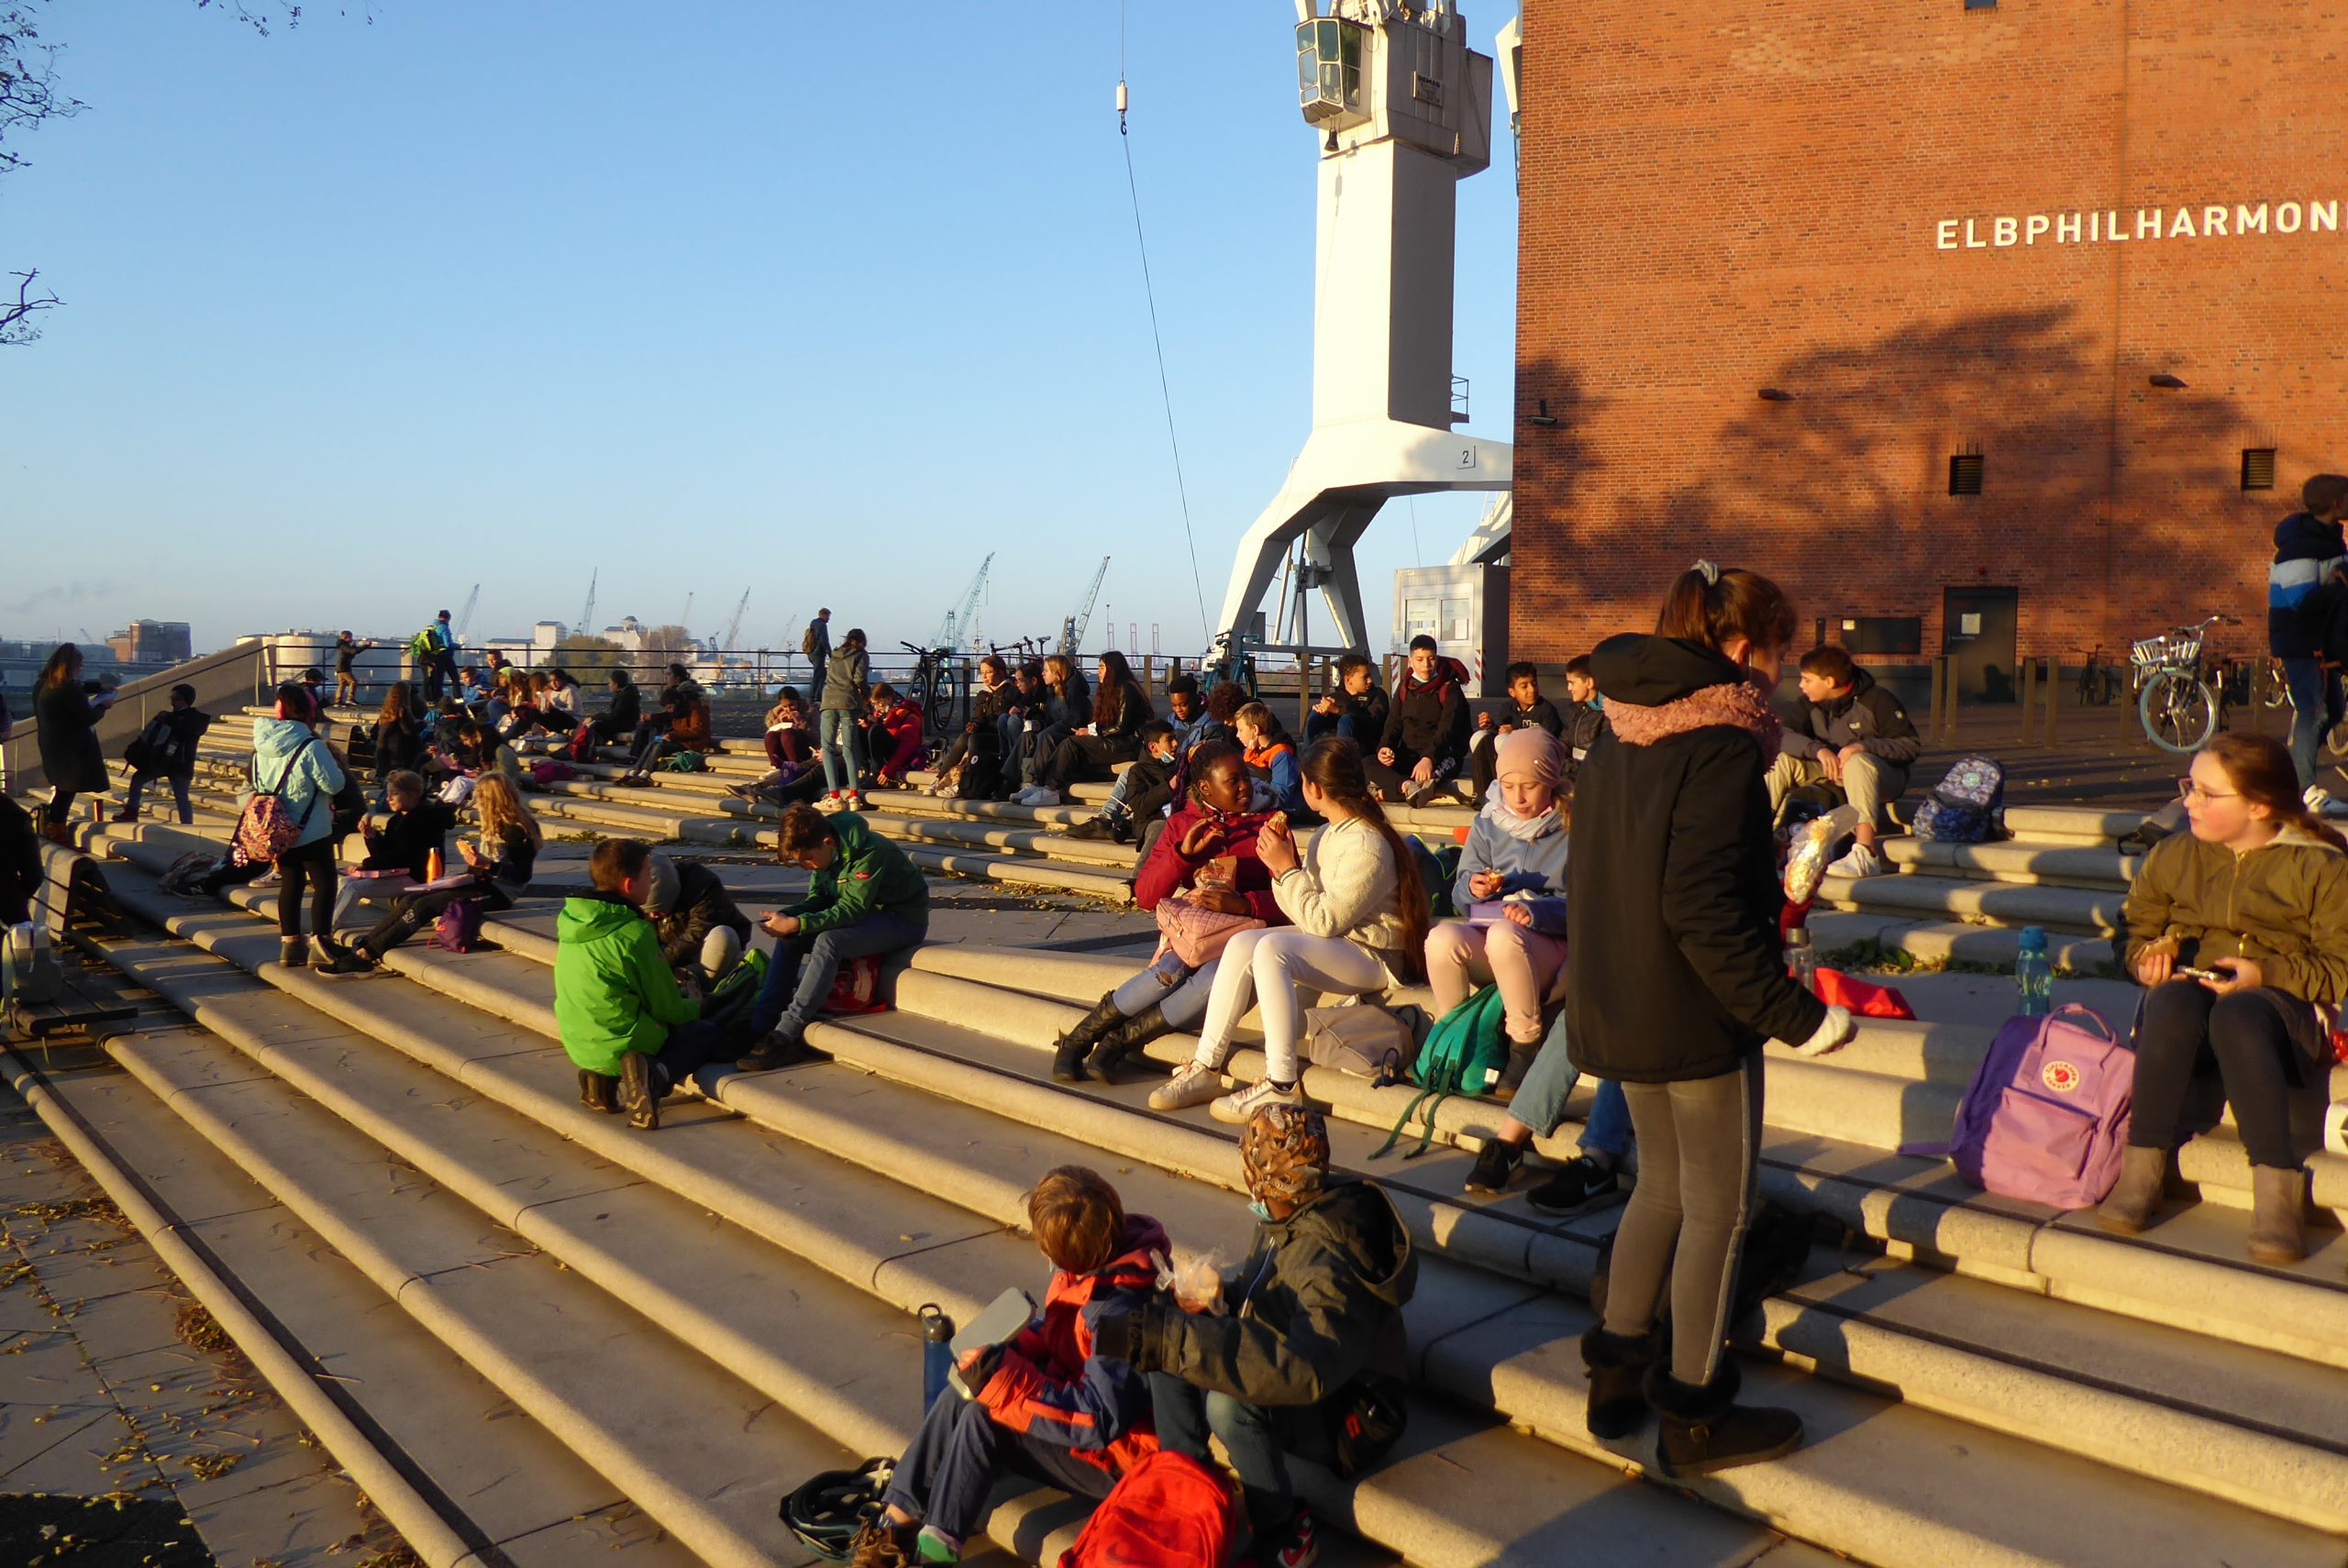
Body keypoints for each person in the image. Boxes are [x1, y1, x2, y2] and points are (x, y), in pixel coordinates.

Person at [1567, 561, 1854, 1475]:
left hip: (1623, 996)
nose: (1777, 671)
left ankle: (1615, 1372)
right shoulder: (1723, 744)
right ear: (1738, 649)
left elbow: (1613, 872)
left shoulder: (1617, 727)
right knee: (1719, 1212)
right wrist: (1793, 1015)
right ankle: (1693, 1414)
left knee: (1657, 1189)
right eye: (1773, 651)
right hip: (1692, 1010)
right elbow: (1699, 907)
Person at [1097, 1105, 1415, 1568]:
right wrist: (1213, 1300)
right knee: (1169, 1340)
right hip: (1304, 1364)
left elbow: (1305, 1370)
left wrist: (1187, 1340)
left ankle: (1284, 1528)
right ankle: (1185, 1488)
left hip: (1354, 1412)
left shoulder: (1330, 1264)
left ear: (1264, 1181)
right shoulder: (1288, 1214)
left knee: (1226, 1403)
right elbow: (1261, 1295)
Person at [2099, 733, 2348, 1264]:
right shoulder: (2174, 854)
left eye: (2206, 793)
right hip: (2187, 1019)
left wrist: (2265, 974)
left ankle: (2277, 1192)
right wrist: (2144, 960)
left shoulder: (2322, 866)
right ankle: (2140, 1170)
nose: (2188, 801)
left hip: (2274, 1020)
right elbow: (2131, 932)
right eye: (2189, 786)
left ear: (2259, 806)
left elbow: (2340, 968)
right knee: (2172, 1002)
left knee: (2238, 1014)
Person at [853, 1167, 1168, 1568]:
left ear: (1057, 1253)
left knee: (985, 1419)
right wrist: (1014, 1344)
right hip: (1085, 1420)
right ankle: (894, 1522)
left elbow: (1097, 1419)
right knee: (961, 1395)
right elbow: (1068, 1340)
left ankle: (936, 1554)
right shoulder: (1091, 1272)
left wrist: (1006, 1380)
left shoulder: (1121, 1316)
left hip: (1123, 1460)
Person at [1150, 736, 1430, 1122]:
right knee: (1244, 942)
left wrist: (1285, 869)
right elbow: (1303, 910)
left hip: (1374, 955)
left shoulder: (1367, 844)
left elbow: (1324, 921)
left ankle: (1281, 1082)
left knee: (1272, 950)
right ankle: (1206, 1066)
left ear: (1314, 788)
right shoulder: (1328, 834)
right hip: (1340, 942)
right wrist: (1282, 869)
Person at [1445, 726, 1637, 1213]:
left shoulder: (1583, 826)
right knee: (1445, 940)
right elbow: (1462, 889)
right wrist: (1476, 889)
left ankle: (1590, 1156)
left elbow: (1591, 903)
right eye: (1508, 786)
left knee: (1608, 1009)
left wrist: (1538, 911)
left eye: (1527, 785)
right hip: (1590, 949)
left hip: (1577, 947)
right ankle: (1508, 1136)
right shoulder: (1493, 821)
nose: (1517, 796)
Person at [1052, 744, 1283, 1081]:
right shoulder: (1181, 824)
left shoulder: (1269, 825)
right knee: (1170, 968)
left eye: (1246, 778)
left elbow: (1291, 897)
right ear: (1205, 788)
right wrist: (1182, 856)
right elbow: (1147, 896)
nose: (1245, 787)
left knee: (1214, 975)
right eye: (1233, 781)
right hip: (1198, 932)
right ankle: (1077, 1040)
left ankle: (1118, 1042)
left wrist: (1246, 903)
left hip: (1246, 937)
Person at [551, 837, 757, 1129]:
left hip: (580, 1043)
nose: (652, 881)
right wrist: (695, 1005)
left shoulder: (573, 922)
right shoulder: (633, 934)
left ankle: (598, 1084)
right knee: (706, 1033)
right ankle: (655, 1076)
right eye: (648, 875)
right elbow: (667, 1009)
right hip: (624, 1045)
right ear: (629, 885)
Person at [737, 802, 929, 1070]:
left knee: (829, 941)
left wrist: (798, 923)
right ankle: (762, 1025)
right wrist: (786, 917)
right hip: (866, 917)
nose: (807, 867)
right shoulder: (824, 854)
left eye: (807, 859)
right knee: (791, 938)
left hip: (902, 920)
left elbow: (851, 910)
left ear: (827, 843)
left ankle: (785, 1035)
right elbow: (818, 900)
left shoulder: (871, 851)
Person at [322, 774, 540, 976]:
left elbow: (521, 875)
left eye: (480, 798)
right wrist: (472, 865)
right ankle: (365, 943)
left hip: (499, 892)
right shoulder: (495, 825)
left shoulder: (515, 830)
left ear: (492, 800)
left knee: (424, 906)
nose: (476, 803)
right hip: (480, 882)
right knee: (411, 899)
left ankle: (367, 955)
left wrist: (487, 865)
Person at [1766, 645, 1922, 878]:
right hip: (1831, 771)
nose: (1801, 685)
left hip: (1881, 777)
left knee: (1857, 762)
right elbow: (1783, 734)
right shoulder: (1808, 704)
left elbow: (1910, 745)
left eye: (1807, 680)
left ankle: (1865, 853)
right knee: (1782, 759)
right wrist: (1818, 750)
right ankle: (1755, 837)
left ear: (1829, 681)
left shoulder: (1878, 699)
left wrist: (1863, 746)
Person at [249, 680, 350, 969]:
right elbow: (334, 784)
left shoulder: (262, 745)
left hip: (277, 828)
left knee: (290, 883)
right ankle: (321, 942)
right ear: (308, 712)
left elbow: (255, 781)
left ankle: (291, 945)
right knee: (324, 883)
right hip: (311, 827)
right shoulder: (311, 745)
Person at [2269, 473, 2348, 798]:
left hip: (2324, 640)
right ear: (2336, 503)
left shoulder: (2332, 540)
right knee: (2314, 711)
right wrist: (2340, 586)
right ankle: (2301, 789)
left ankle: (2293, 763)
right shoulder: (2298, 547)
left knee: (2333, 710)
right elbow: (2300, 600)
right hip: (2300, 641)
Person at [1023, 653, 1153, 807]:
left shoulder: (1126, 688)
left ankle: (1050, 789)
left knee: (1071, 744)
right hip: (1115, 739)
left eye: (1102, 668)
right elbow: (1105, 722)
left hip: (1128, 744)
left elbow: (1121, 727)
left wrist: (1092, 732)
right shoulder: (1110, 689)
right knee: (1067, 743)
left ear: (1113, 669)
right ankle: (1040, 784)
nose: (1098, 672)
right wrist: (1090, 730)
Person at [1366, 636, 1468, 807]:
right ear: (1411, 661)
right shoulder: (1405, 687)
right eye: (1420, 659)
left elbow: (1447, 729)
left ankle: (1385, 793)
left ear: (1437, 659)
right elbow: (1393, 723)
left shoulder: (1450, 688)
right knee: (1367, 763)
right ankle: (1406, 785)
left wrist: (1429, 758)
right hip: (1409, 754)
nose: (1426, 665)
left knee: (1425, 782)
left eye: (1431, 659)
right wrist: (1385, 747)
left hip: (1441, 755)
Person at [32, 644, 112, 840]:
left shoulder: (43, 684)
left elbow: (79, 687)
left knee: (63, 789)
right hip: (72, 750)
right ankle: (57, 832)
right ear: (72, 665)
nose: (80, 669)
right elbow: (87, 717)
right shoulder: (68, 688)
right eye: (80, 665)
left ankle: (53, 829)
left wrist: (98, 688)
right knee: (67, 791)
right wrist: (103, 706)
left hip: (52, 746)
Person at [640, 850, 753, 988]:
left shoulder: (702, 885)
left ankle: (696, 985)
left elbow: (697, 933)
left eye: (659, 910)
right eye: (647, 911)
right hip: (665, 958)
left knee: (723, 935)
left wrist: (659, 961)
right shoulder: (635, 888)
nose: (652, 916)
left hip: (702, 955)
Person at [116, 684, 212, 825]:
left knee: (181, 796)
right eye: (171, 698)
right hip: (159, 761)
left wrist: (168, 719)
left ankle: (187, 825)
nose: (172, 702)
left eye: (176, 698)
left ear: (185, 700)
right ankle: (131, 811)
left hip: (180, 763)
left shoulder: (197, 719)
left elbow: (188, 729)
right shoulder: (168, 717)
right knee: (137, 780)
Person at [1468, 662, 1566, 799]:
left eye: (1534, 684)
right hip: (1508, 761)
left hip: (1536, 763)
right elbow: (1499, 732)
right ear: (1512, 692)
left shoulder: (1546, 710)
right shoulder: (1508, 708)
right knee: (1479, 736)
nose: (1531, 690)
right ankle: (1482, 789)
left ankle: (1504, 787)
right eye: (1524, 686)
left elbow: (1547, 741)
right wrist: (1490, 726)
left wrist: (1516, 732)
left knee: (1504, 740)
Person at [1009, 655, 1093, 806]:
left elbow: (1076, 720)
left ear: (1058, 673)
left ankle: (1037, 782)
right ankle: (1027, 781)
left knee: (1046, 735)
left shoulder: (1074, 691)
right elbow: (1051, 719)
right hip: (1056, 730)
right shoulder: (1052, 692)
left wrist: (1049, 728)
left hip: (1073, 732)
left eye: (1046, 670)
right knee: (1032, 735)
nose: (1043, 674)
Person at [930, 654, 1013, 798]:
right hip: (985, 733)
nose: (984, 676)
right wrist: (974, 724)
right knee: (964, 737)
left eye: (988, 672)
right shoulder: (983, 694)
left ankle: (966, 782)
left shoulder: (1010, 692)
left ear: (1000, 672)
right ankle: (940, 778)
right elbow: (978, 718)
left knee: (975, 740)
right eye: (982, 672)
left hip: (1001, 737)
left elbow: (1005, 719)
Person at [356, 770, 456, 882]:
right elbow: (386, 853)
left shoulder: (427, 818)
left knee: (355, 887)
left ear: (412, 795)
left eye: (395, 794)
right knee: (347, 881)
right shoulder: (395, 820)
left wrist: (368, 863)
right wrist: (373, 838)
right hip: (397, 873)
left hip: (419, 877)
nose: (388, 799)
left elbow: (408, 857)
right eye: (388, 794)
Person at [729, 689, 825, 805]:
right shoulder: (776, 712)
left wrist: (800, 722)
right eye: (784, 707)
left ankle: (762, 785)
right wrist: (778, 722)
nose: (788, 710)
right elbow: (770, 731)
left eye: (792, 705)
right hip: (785, 751)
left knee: (788, 734)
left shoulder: (811, 711)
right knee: (772, 736)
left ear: (798, 701)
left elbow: (817, 738)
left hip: (805, 750)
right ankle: (775, 768)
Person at [818, 627, 872, 809]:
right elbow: (859, 679)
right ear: (863, 642)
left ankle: (834, 795)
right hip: (848, 702)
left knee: (828, 748)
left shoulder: (834, 655)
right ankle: (854, 795)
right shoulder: (861, 655)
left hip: (828, 701)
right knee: (850, 749)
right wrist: (867, 693)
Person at [1234, 701, 1305, 819]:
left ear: (1255, 730)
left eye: (1240, 730)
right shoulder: (1249, 752)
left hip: (1283, 812)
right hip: (1257, 807)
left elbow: (1279, 795)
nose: (1237, 735)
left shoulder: (1282, 755)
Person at [1306, 653, 1390, 748]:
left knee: (1346, 720)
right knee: (1314, 715)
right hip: (1333, 745)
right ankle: (1306, 755)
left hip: (1366, 746)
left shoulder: (1377, 695)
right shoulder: (1335, 698)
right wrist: (1320, 710)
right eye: (1365, 677)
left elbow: (1375, 723)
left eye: (1369, 676)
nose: (1370, 680)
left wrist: (1338, 711)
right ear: (1348, 680)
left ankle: (1344, 755)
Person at [862, 683, 926, 790]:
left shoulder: (907, 714)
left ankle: (876, 774)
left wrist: (889, 770)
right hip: (888, 753)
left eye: (879, 703)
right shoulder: (881, 714)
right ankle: (866, 770)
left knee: (876, 730)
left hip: (902, 757)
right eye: (874, 704)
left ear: (888, 699)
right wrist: (867, 726)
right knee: (862, 730)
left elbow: (908, 746)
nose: (876, 708)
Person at [371, 682, 426, 802]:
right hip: (401, 752)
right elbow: (409, 731)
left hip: (386, 753)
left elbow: (374, 733)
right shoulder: (402, 710)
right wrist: (423, 724)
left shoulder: (386, 710)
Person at [1561, 655, 1608, 780]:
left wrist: (1568, 767)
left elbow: (1603, 759)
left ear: (1589, 683)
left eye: (1572, 683)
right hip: (1570, 776)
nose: (1569, 688)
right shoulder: (1574, 709)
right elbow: (1563, 742)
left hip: (1593, 780)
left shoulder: (1608, 714)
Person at [588, 668, 642, 749]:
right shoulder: (627, 693)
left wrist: (594, 717)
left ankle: (593, 750)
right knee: (598, 724)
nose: (609, 685)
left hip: (625, 725)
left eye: (610, 682)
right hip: (625, 723)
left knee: (596, 726)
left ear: (616, 684)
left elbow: (615, 716)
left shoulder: (625, 696)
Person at [422, 610, 459, 702]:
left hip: (434, 657)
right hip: (446, 656)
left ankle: (438, 699)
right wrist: (457, 645)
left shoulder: (431, 626)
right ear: (447, 618)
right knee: (455, 678)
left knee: (438, 680)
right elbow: (448, 645)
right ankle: (458, 697)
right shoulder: (444, 628)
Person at [333, 632, 372, 708]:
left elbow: (352, 652)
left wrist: (354, 646)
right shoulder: (344, 645)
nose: (351, 639)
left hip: (341, 667)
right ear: (346, 637)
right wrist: (365, 646)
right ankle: (350, 699)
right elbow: (354, 651)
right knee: (353, 682)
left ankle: (338, 701)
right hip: (344, 668)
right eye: (350, 637)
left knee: (342, 684)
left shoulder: (342, 645)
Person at [803, 608, 834, 683]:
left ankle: (816, 690)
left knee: (821, 673)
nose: (829, 618)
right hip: (818, 653)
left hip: (811, 651)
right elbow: (824, 641)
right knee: (818, 676)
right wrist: (830, 654)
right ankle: (815, 690)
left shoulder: (813, 623)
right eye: (828, 616)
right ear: (824, 615)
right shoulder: (822, 625)